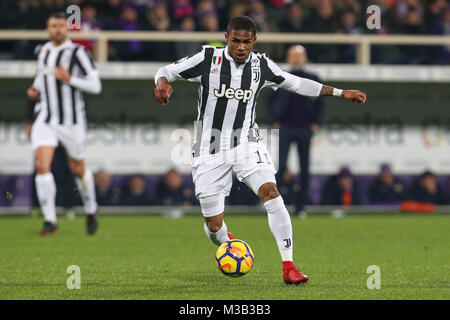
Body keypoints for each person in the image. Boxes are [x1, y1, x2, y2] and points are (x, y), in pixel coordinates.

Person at [154, 15, 366, 285]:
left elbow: (297, 83)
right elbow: (166, 71)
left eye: (246, 42)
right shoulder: (208, 59)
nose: (241, 47)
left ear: (254, 41)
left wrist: (339, 92)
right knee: (214, 225)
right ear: (226, 38)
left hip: (246, 142)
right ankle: (228, 243)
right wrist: (161, 83)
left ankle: (289, 266)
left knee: (271, 192)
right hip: (211, 146)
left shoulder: (261, 65)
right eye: (235, 41)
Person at [26, 12, 102, 236]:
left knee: (77, 169)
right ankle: (50, 220)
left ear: (66, 28)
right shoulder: (44, 51)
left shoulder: (78, 52)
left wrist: (70, 79)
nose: (57, 29)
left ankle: (91, 208)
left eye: (61, 25)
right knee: (42, 166)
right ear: (48, 29)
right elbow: (42, 76)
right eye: (53, 26)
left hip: (72, 122)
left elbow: (95, 85)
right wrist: (35, 88)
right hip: (45, 119)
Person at [267, 45, 324, 217]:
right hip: (285, 127)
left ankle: (301, 207)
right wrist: (273, 120)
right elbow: (268, 101)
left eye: (299, 56)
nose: (296, 59)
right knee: (282, 167)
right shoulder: (281, 77)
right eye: (293, 56)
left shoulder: (313, 78)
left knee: (304, 169)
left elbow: (321, 103)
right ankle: (276, 206)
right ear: (288, 58)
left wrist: (316, 122)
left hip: (304, 128)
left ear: (305, 58)